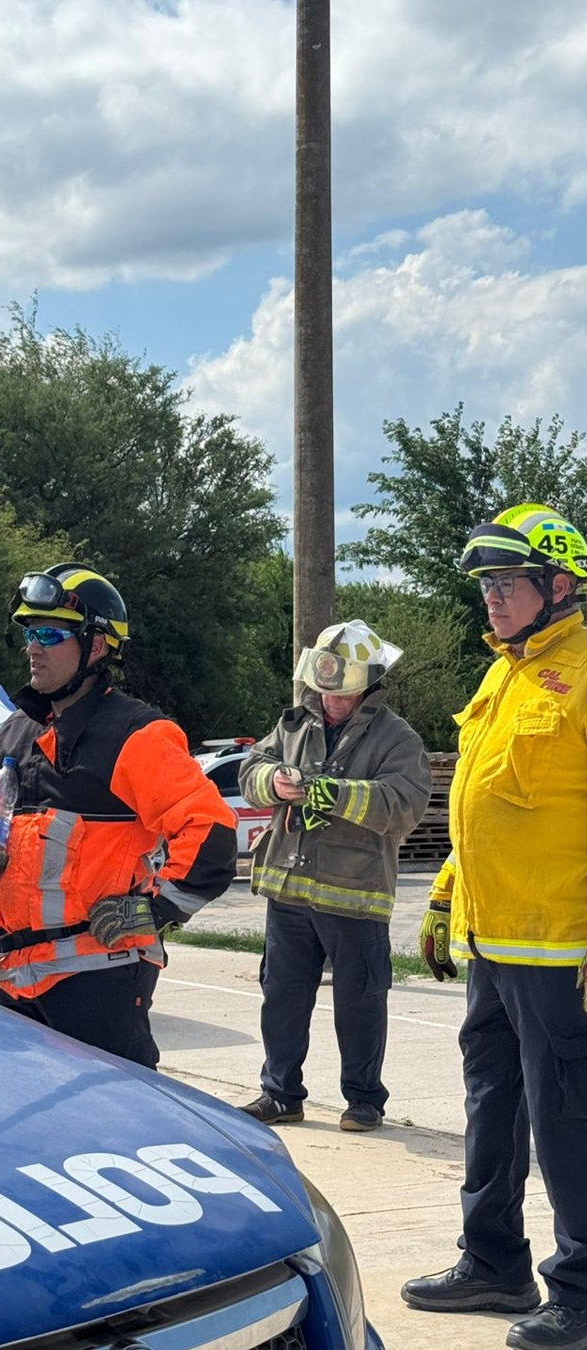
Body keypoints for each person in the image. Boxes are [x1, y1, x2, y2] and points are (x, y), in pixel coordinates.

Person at [402, 504, 587, 1350]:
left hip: (563, 947)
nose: (490, 598)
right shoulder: (503, 674)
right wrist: (444, 895)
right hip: (492, 937)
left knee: (568, 1119)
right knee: (494, 1106)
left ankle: (581, 1290)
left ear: (559, 585)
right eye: (483, 584)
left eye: (505, 582)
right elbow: (478, 808)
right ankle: (493, 1262)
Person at [0, 563, 238, 1068]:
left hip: (99, 976)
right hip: (17, 973)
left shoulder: (137, 735)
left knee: (115, 1125)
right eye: (28, 632)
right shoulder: (14, 733)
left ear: (97, 645)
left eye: (50, 633)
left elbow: (211, 833)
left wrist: (154, 911)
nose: (33, 647)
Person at [236, 620, 432, 1132]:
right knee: (281, 995)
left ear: (366, 684)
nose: (330, 700)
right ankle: (280, 1094)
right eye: (323, 688)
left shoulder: (397, 737)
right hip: (289, 891)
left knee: (360, 1002)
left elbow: (405, 803)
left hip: (356, 895)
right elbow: (250, 768)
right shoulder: (295, 724)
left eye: (341, 691)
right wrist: (273, 782)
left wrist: (335, 796)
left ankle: (364, 1100)